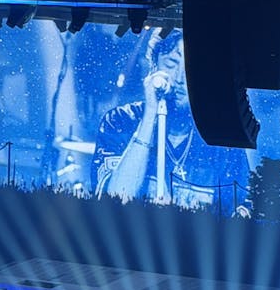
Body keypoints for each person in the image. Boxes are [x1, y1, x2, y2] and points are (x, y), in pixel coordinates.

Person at [91, 27, 253, 214]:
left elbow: (241, 214)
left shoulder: (223, 140)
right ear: (153, 67)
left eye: (192, 68)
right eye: (171, 64)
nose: (180, 78)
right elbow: (115, 200)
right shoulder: (120, 121)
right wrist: (151, 112)